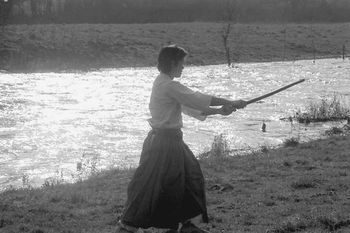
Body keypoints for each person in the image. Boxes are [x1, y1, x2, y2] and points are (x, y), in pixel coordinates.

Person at [117, 45, 247, 233]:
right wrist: (231, 102)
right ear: (172, 63)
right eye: (182, 63)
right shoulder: (167, 84)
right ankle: (129, 225)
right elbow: (195, 98)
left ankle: (185, 224)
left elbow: (188, 106)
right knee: (150, 184)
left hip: (171, 141)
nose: (183, 67)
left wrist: (219, 111)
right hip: (163, 143)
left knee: (191, 177)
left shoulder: (164, 83)